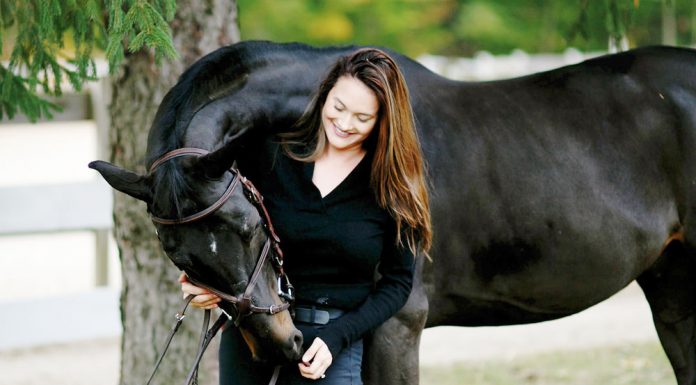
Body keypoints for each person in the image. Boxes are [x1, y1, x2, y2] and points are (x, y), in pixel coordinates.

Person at [179, 47, 432, 385]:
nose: (343, 124)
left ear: (383, 120)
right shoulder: (270, 154)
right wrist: (203, 282)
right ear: (325, 95)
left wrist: (338, 337)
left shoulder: (393, 189)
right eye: (338, 107)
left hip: (329, 348)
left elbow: (398, 284)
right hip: (253, 334)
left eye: (362, 118)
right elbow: (226, 232)